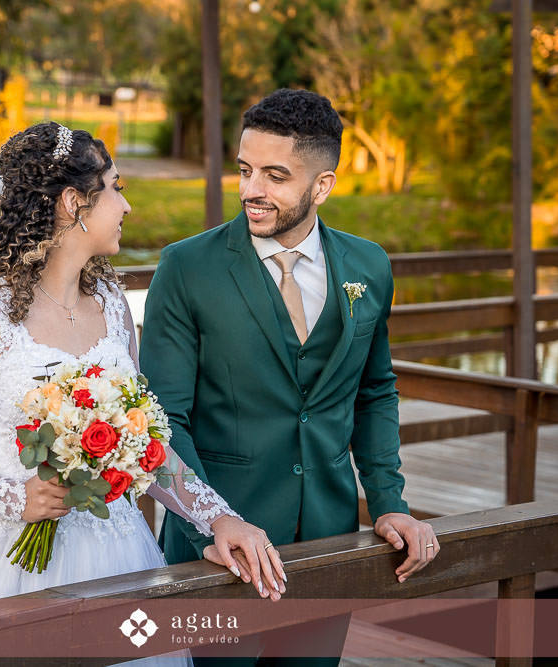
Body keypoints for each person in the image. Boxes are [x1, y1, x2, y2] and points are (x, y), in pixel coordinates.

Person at [0, 122, 286, 633]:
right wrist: (15, 498)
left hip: (115, 555)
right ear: (73, 202)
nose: (126, 206)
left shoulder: (112, 307)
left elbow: (144, 446)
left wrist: (216, 518)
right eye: (114, 188)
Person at [140, 89, 440, 661]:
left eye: (275, 176)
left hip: (326, 542)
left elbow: (375, 392)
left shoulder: (369, 265)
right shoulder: (187, 267)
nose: (251, 190)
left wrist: (389, 502)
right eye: (245, 170)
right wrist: (212, 522)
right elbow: (162, 417)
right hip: (217, 552)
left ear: (322, 186)